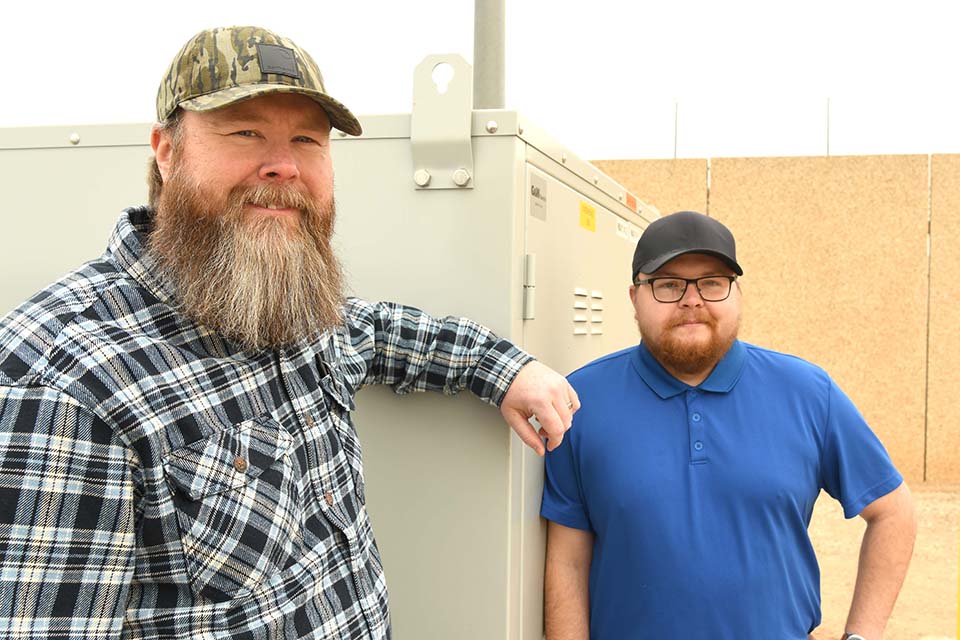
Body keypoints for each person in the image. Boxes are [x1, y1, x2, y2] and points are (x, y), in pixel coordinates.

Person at [0, 26, 579, 639]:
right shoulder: (63, 380)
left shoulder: (287, 304)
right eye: (246, 132)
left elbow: (382, 332)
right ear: (165, 151)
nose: (283, 165)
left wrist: (505, 368)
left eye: (307, 139)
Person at [541, 211, 917, 639]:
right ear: (634, 297)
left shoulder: (809, 393)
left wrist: (862, 636)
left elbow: (893, 512)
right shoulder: (580, 402)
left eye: (712, 282)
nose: (692, 300)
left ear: (737, 293)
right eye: (668, 284)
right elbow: (568, 562)